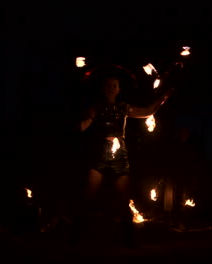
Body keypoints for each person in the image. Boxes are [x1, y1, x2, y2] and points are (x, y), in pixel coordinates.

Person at [70, 67, 176, 247]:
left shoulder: (124, 107)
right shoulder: (96, 107)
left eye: (114, 85)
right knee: (88, 195)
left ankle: (128, 239)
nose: (111, 88)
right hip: (99, 154)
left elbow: (148, 111)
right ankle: (76, 237)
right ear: (103, 89)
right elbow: (82, 126)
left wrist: (163, 98)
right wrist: (83, 121)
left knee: (123, 197)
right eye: (108, 85)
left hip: (120, 155)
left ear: (119, 89)